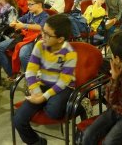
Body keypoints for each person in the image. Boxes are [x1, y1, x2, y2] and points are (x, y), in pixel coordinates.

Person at [13, 14, 78, 145]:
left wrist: (43, 98)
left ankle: (78, 106)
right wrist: (35, 91)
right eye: (43, 31)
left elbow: (63, 82)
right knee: (18, 120)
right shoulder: (39, 45)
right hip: (43, 84)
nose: (42, 35)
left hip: (63, 88)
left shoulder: (70, 52)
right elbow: (30, 70)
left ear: (60, 39)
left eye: (47, 34)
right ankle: (37, 142)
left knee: (53, 112)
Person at [0, 0, 49, 85]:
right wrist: (14, 22)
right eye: (28, 4)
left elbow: (41, 27)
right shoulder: (30, 14)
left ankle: (30, 79)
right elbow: (20, 19)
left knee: (23, 55)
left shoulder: (45, 16)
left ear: (39, 5)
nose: (28, 6)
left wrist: (24, 25)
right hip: (24, 37)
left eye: (31, 4)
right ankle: (12, 74)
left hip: (35, 40)